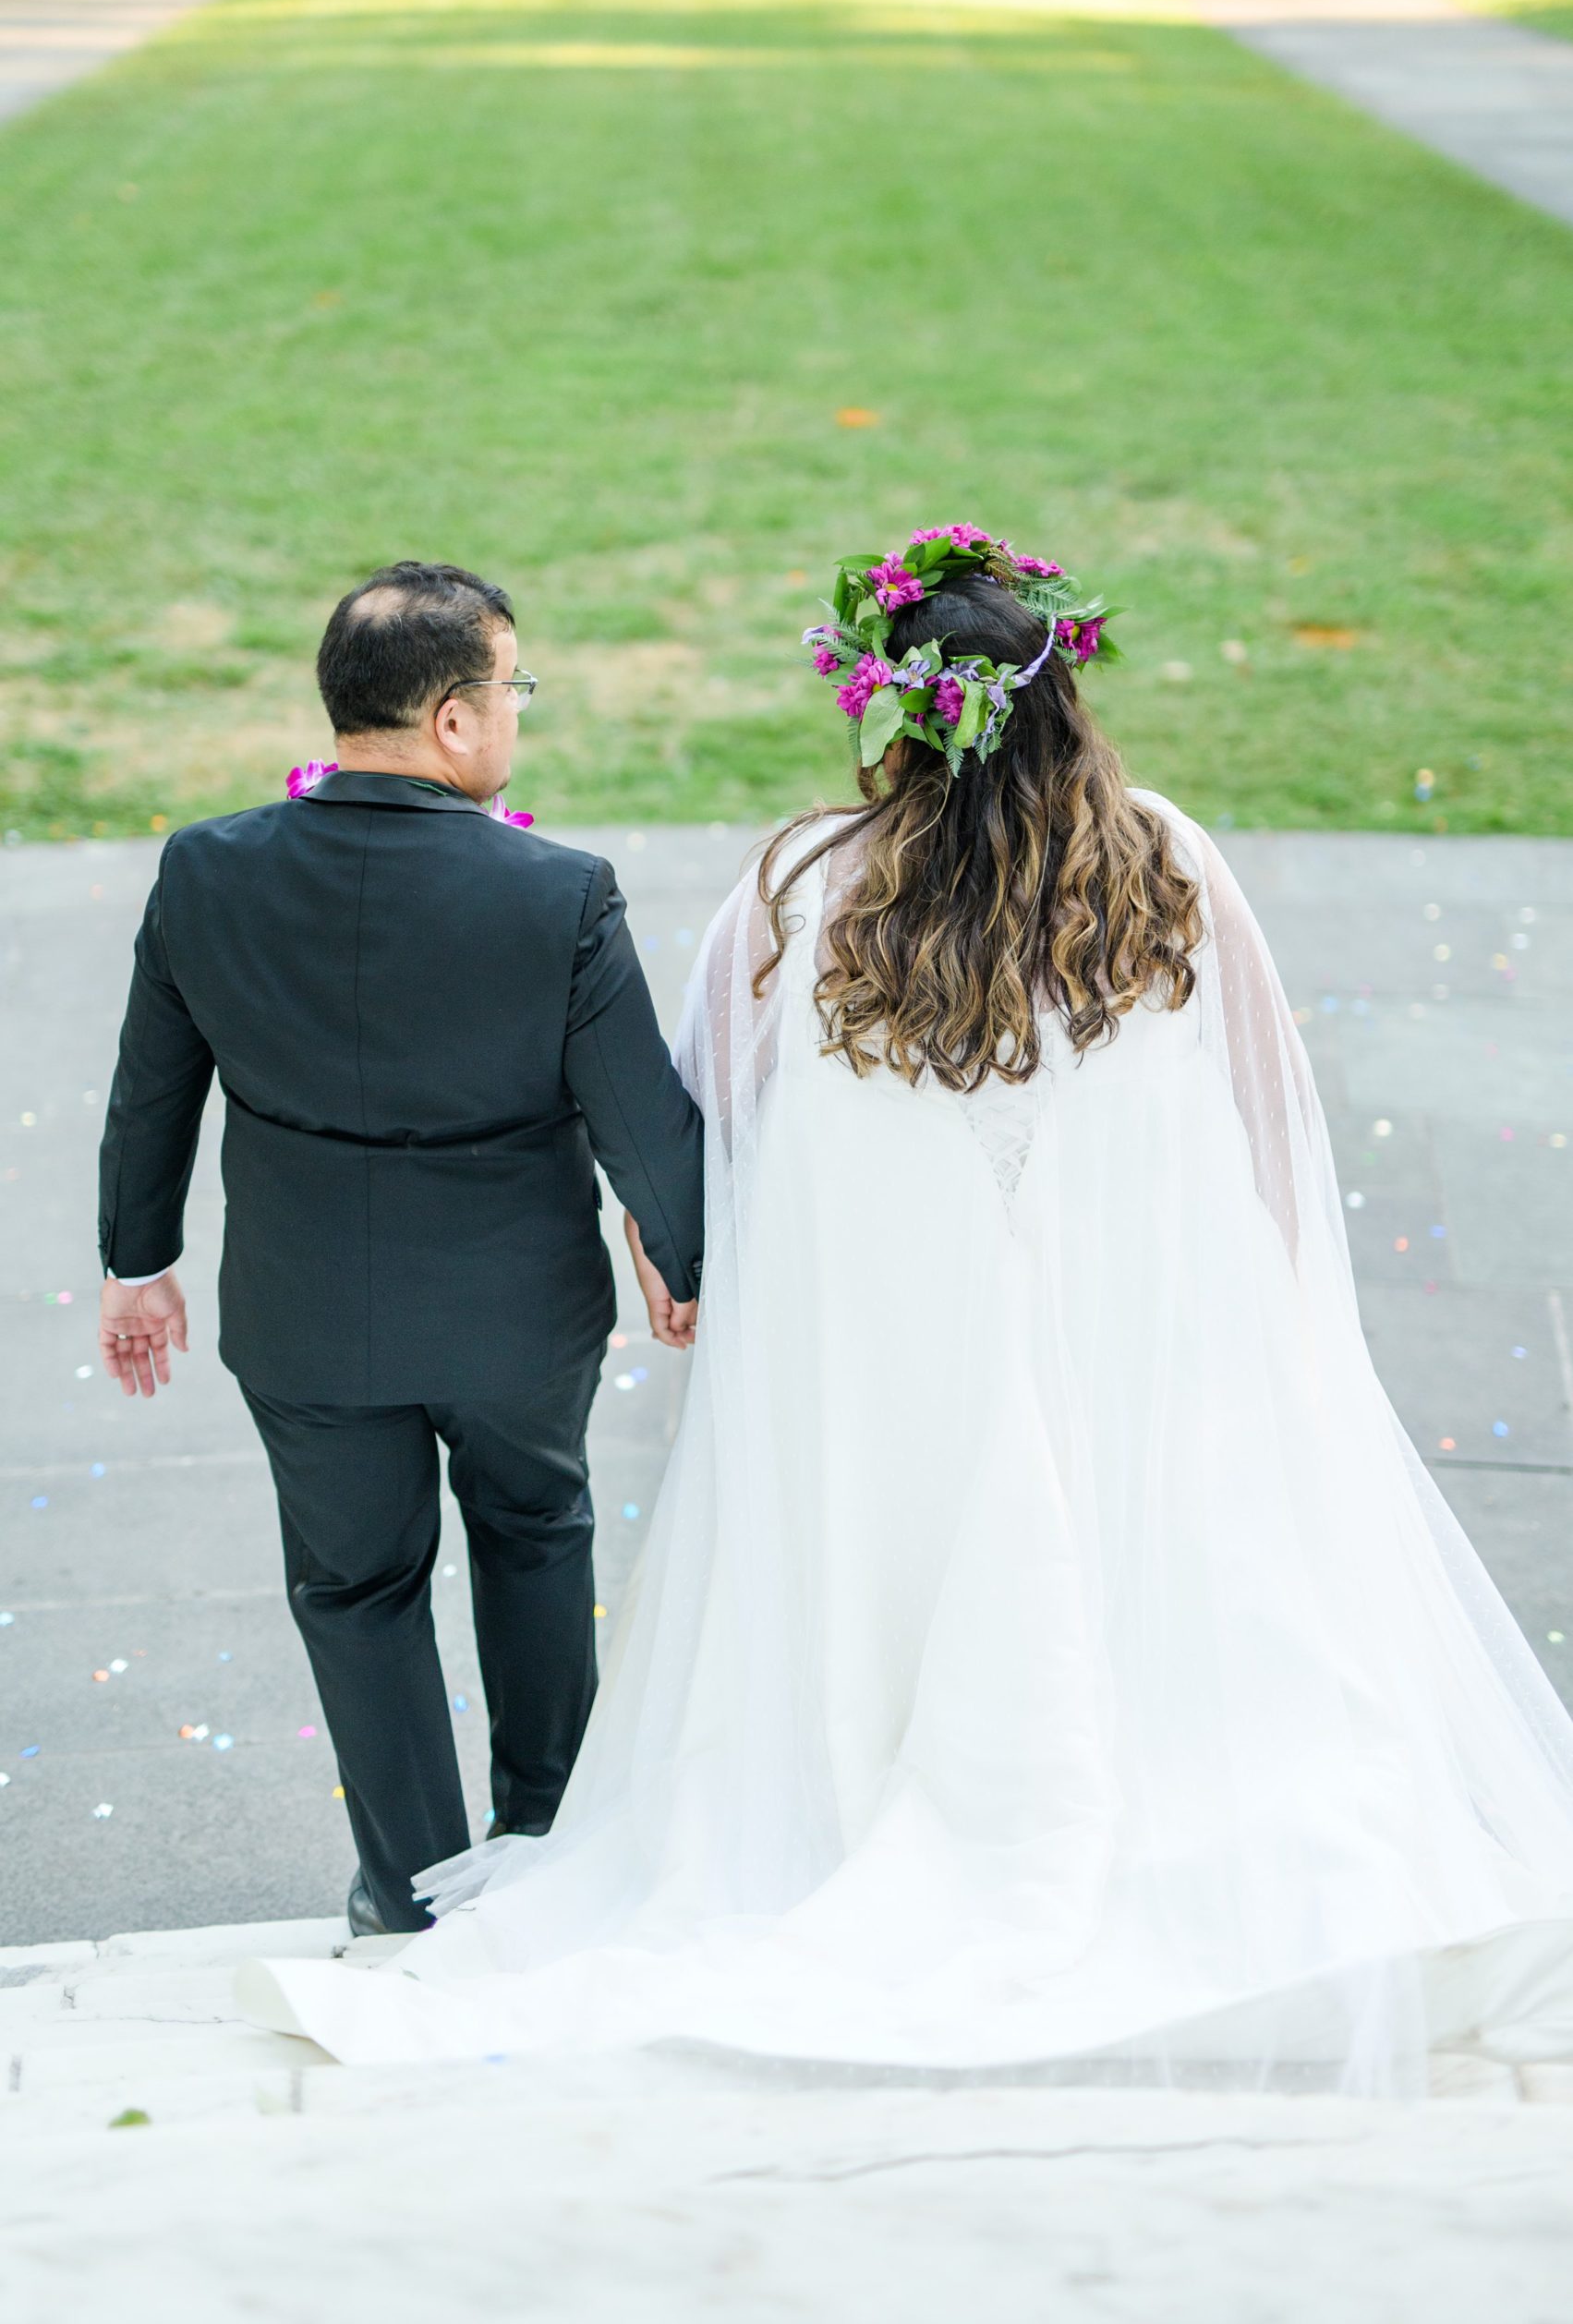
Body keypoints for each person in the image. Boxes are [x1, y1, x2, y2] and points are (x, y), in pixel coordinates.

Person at [244, 527, 1573, 2093]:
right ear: (1061, 699)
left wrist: (700, 1283)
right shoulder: (1162, 862)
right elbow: (1272, 1123)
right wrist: (1261, 1315)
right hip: (1123, 1356)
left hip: (891, 1378)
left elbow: (712, 1130)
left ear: (891, 715)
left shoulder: (800, 887)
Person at [97, 561, 705, 1935]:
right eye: (513, 690)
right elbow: (639, 1111)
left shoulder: (205, 870)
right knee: (536, 1535)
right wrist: (678, 1252)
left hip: (304, 1313)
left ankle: (414, 1892)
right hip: (515, 1311)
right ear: (450, 722)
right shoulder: (561, 894)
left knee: (354, 1588)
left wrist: (140, 1265)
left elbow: (153, 1089)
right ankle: (545, 1849)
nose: (515, 716)